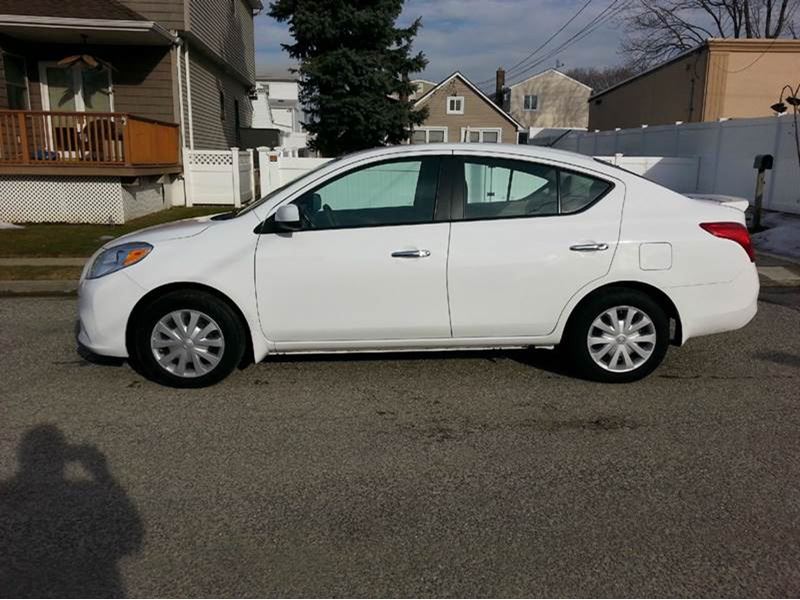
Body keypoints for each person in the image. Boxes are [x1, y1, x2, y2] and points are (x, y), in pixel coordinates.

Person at [0, 425, 143, 598]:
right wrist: (102, 473)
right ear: (63, 458)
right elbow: (131, 534)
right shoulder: (85, 495)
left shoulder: (6, 497)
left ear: (23, 458)